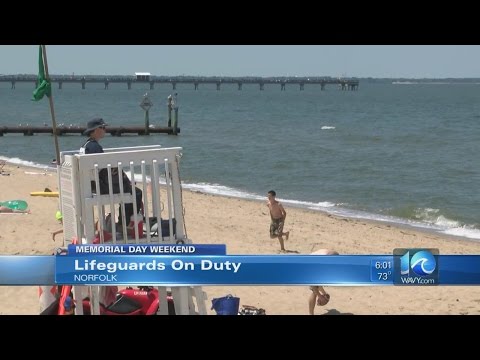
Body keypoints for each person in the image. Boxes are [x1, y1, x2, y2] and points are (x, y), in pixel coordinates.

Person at [80, 118, 143, 226]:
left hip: (91, 184)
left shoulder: (86, 146)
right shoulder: (95, 147)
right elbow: (104, 170)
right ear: (95, 130)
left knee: (128, 188)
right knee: (136, 192)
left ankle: (124, 222)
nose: (105, 130)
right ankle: (126, 223)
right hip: (100, 186)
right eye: (103, 128)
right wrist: (125, 181)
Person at [308, 249, 339, 315]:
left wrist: (324, 293)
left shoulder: (333, 257)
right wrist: (320, 296)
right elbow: (314, 286)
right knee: (314, 292)